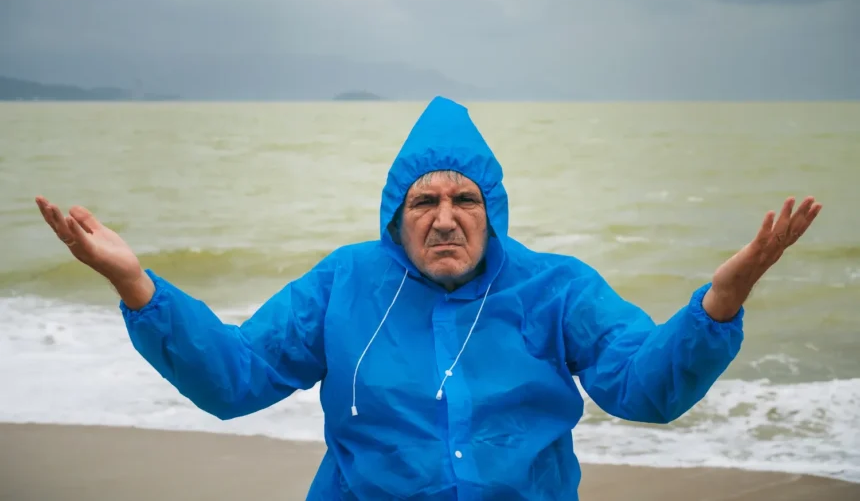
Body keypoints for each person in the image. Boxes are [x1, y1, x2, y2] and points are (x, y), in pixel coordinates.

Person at [35, 96, 822, 500]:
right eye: (424, 201)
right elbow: (236, 379)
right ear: (394, 216)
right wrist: (136, 285)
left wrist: (719, 303)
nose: (445, 217)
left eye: (464, 199)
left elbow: (642, 387)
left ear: (493, 210)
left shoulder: (556, 288)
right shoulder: (344, 283)